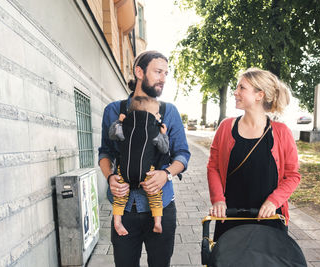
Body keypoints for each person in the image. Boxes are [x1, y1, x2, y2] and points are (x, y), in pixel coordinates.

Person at [98, 50, 190, 267]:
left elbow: (182, 155)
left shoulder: (169, 112)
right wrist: (110, 177)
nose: (163, 79)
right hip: (125, 208)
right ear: (139, 71)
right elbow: (105, 153)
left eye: (166, 74)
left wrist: (166, 174)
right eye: (158, 72)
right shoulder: (115, 110)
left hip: (161, 207)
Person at [207, 67, 301, 241]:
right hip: (230, 217)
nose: (235, 92)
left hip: (269, 218)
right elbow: (213, 167)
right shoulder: (226, 127)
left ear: (259, 95)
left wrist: (274, 201)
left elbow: (292, 176)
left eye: (242, 88)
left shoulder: (281, 132)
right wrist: (218, 200)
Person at [108, 96, 170, 235]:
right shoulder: (154, 133)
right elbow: (164, 149)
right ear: (148, 116)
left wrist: (119, 121)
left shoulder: (123, 129)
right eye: (156, 113)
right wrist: (164, 135)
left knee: (120, 196)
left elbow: (112, 134)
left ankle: (117, 222)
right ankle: (157, 222)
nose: (159, 115)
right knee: (154, 194)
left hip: (123, 171)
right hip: (147, 172)